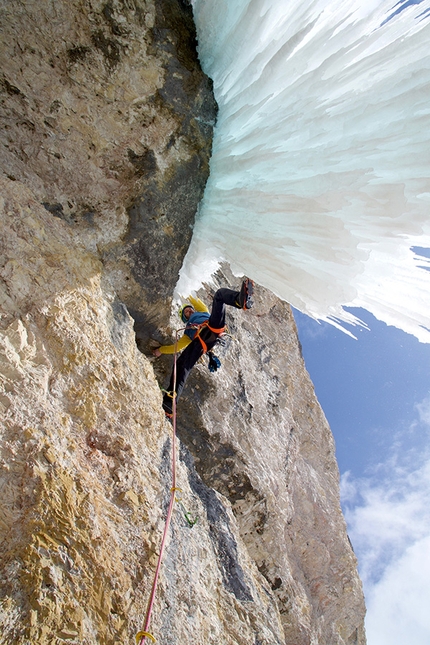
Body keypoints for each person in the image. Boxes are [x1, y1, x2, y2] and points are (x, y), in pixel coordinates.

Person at [153, 279, 254, 417]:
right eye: (185, 313)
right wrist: (160, 350)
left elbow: (193, 299)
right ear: (184, 319)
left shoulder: (202, 311)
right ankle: (170, 403)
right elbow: (175, 348)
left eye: (188, 309)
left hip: (212, 327)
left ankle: (239, 300)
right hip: (203, 341)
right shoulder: (187, 333)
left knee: (219, 295)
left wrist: (182, 286)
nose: (188, 310)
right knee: (182, 364)